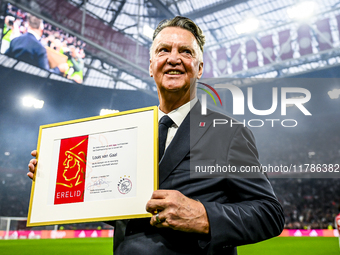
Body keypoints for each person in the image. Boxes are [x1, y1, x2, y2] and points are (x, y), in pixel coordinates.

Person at [28, 16, 284, 255]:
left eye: (186, 51)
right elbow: (122, 206)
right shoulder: (126, 131)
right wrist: (56, 180)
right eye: (164, 50)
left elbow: (269, 213)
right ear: (151, 66)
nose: (174, 58)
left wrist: (203, 216)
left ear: (200, 68)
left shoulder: (227, 131)